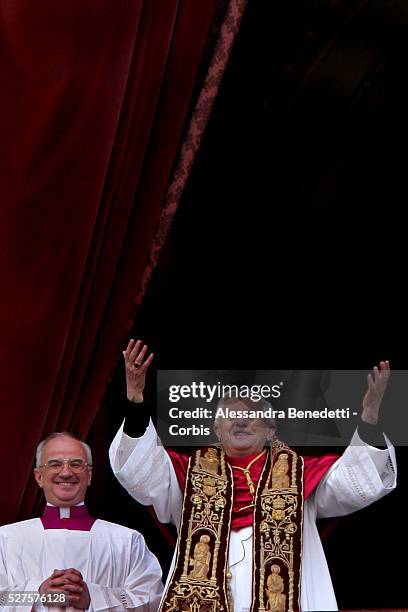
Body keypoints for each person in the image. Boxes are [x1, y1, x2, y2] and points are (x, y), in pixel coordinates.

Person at [109, 339, 397, 612]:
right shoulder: (188, 472)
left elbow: (354, 483)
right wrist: (135, 402)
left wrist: (369, 419)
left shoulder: (299, 474)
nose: (241, 421)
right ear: (217, 430)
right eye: (231, 416)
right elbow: (141, 473)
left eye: (251, 416)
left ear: (271, 430)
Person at [0, 430, 163, 611]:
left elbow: (153, 601)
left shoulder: (127, 540)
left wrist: (92, 598)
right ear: (39, 476)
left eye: (76, 464)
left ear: (90, 475)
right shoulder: (5, 539)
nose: (66, 472)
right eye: (55, 464)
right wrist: (37, 595)